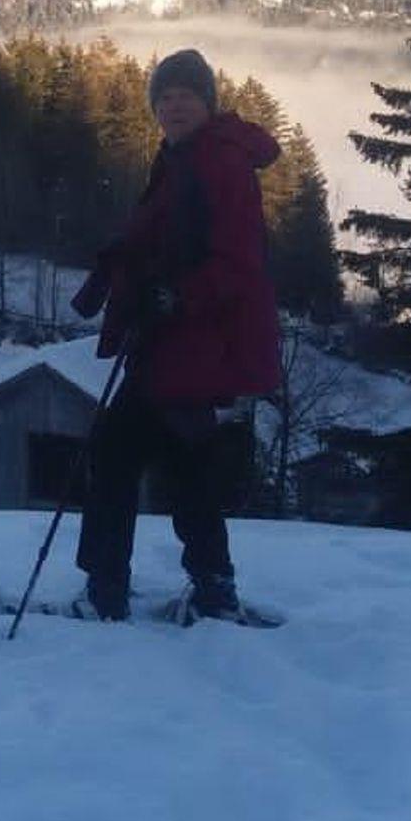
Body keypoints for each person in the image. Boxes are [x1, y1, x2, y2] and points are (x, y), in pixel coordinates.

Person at [68, 49, 284, 621]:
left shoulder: (220, 163)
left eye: (186, 95)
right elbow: (165, 239)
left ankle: (111, 591)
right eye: (164, 98)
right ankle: (207, 590)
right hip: (176, 340)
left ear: (208, 102)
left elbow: (239, 261)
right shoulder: (185, 158)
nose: (174, 106)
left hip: (194, 340)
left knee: (121, 453)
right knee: (178, 462)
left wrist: (176, 297)